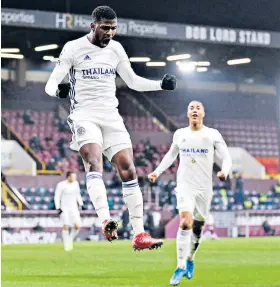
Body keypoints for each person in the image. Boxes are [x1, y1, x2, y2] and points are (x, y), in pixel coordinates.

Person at [45, 5, 176, 250]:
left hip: (112, 116)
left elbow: (133, 81)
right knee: (94, 161)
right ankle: (106, 220)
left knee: (129, 169)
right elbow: (50, 83)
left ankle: (140, 235)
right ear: (93, 25)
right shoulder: (73, 48)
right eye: (106, 28)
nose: (110, 33)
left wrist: (161, 85)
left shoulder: (116, 49)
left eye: (114, 28)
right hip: (84, 115)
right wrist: (59, 90)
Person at [148, 101, 232, 285]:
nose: (194, 110)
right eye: (191, 108)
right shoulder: (180, 134)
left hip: (204, 188)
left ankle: (190, 258)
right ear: (187, 114)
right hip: (185, 186)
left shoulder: (212, 134)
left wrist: (224, 171)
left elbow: (226, 156)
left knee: (197, 229)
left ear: (203, 113)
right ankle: (179, 267)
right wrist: (157, 171)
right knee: (186, 222)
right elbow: (171, 155)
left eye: (198, 108)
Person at [55, 171, 83, 251]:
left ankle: (70, 239)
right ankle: (66, 245)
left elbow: (78, 194)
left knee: (77, 226)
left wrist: (81, 203)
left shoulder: (76, 184)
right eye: (73, 177)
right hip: (65, 209)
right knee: (66, 226)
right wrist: (58, 207)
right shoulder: (61, 185)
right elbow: (57, 196)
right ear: (68, 177)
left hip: (74, 209)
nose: (75, 178)